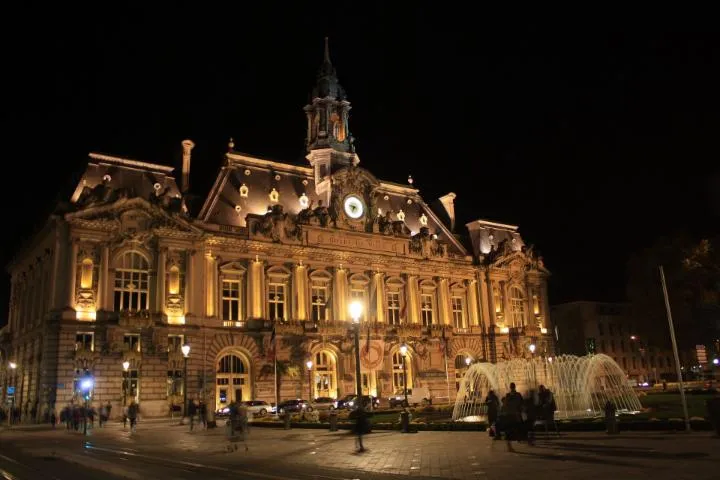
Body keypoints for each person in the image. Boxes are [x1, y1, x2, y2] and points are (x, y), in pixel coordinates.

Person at [502, 383, 523, 452]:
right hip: (514, 414)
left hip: (510, 414)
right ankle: (512, 444)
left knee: (510, 430)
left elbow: (505, 404)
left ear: (510, 387)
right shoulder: (517, 395)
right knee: (515, 428)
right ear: (514, 387)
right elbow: (521, 404)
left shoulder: (509, 395)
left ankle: (509, 446)